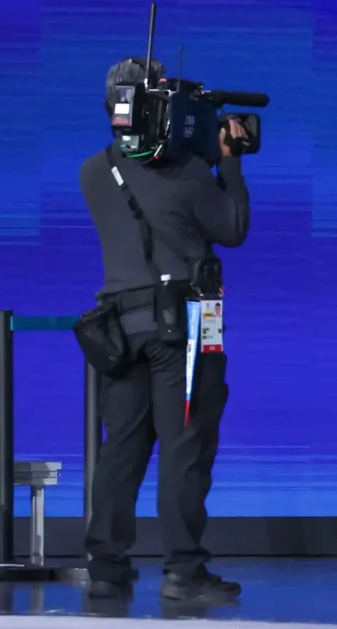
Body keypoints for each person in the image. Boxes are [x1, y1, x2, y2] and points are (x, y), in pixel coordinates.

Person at [79, 57, 249, 602]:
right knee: (184, 447)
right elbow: (233, 227)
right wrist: (230, 163)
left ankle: (105, 568)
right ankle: (184, 573)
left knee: (122, 451)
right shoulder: (188, 173)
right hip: (184, 328)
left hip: (119, 328)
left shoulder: (92, 171)